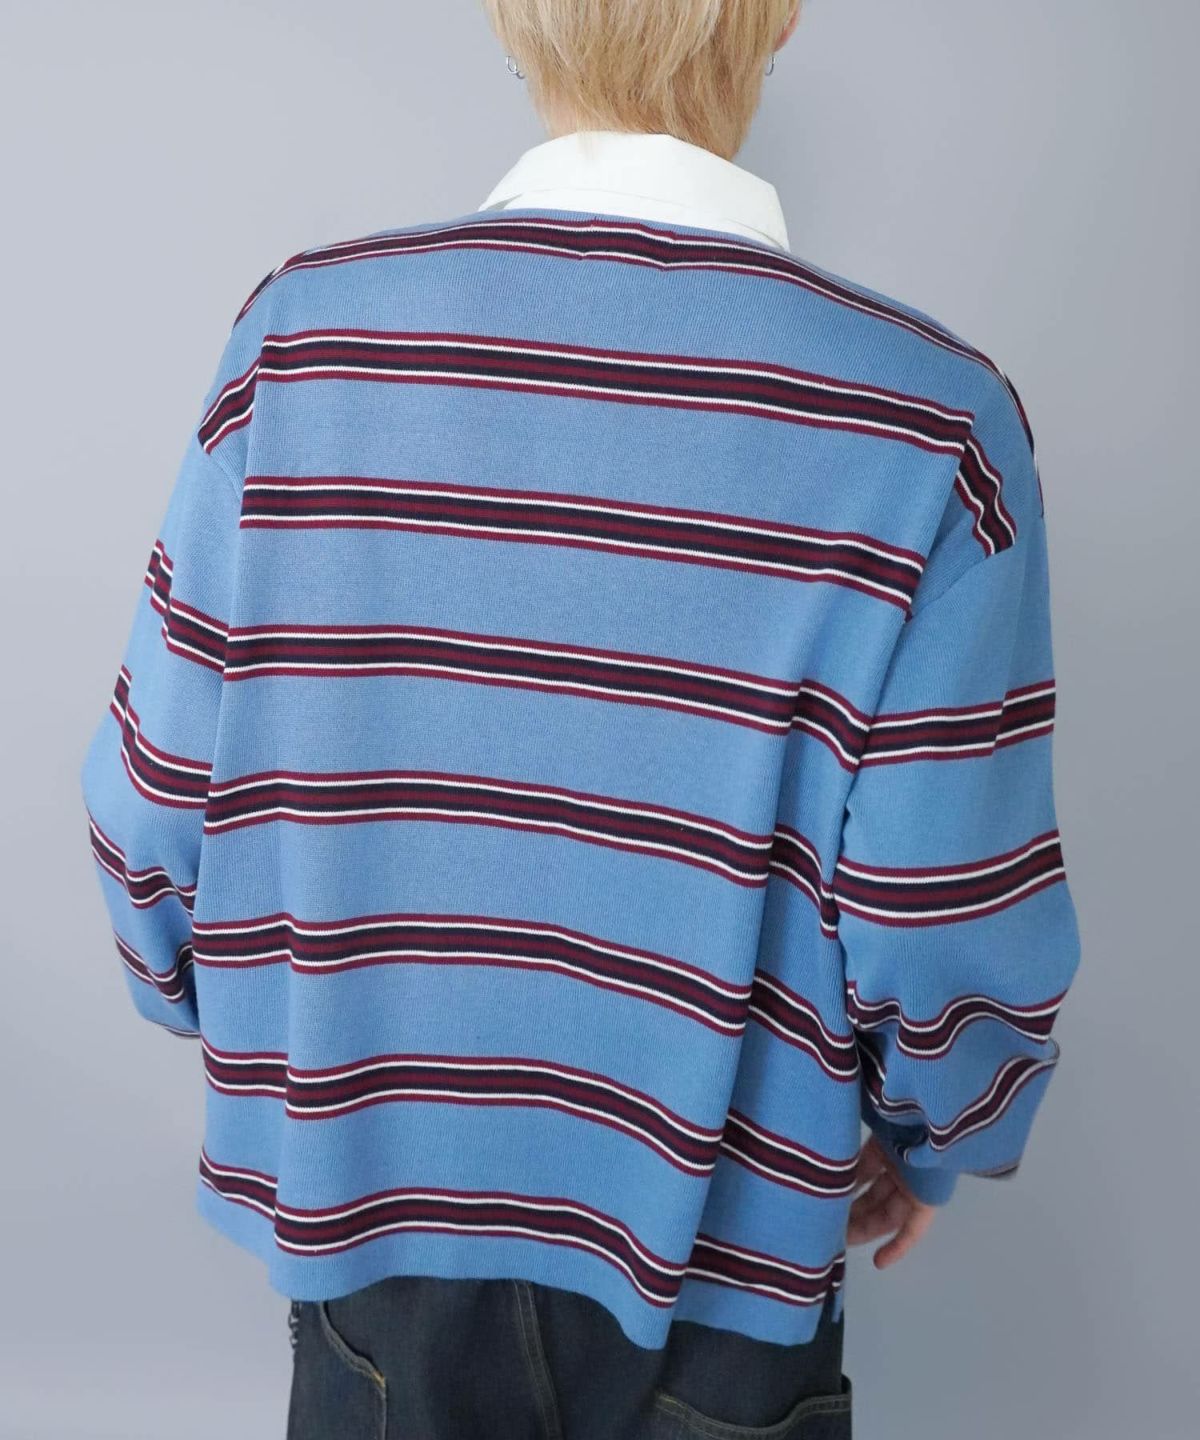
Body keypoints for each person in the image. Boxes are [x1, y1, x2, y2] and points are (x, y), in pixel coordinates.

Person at [78, 2, 1082, 1435]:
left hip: (374, 1221)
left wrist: (272, 1026)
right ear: (777, 19)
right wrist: (933, 1133)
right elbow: (942, 912)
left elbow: (154, 801)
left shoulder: (302, 345)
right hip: (726, 1265)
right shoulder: (934, 424)